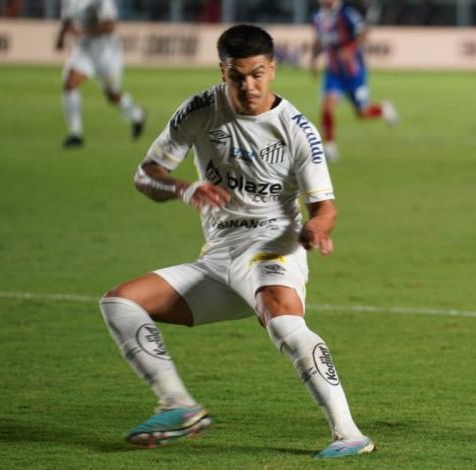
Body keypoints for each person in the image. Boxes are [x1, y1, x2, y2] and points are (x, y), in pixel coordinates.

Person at [98, 24, 375, 458]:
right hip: (218, 258)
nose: (249, 86)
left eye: (258, 74)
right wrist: (184, 189)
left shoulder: (296, 128)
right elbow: (145, 174)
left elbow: (326, 206)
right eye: (237, 76)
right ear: (222, 71)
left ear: (273, 69)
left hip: (273, 246)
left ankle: (349, 434)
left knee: (283, 321)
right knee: (119, 302)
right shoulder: (200, 110)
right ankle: (179, 405)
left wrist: (318, 228)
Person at [310, 0, 397, 162]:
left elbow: (363, 32)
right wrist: (313, 60)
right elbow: (319, 40)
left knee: (362, 113)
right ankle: (329, 145)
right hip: (333, 72)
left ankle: (384, 109)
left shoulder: (346, 13)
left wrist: (349, 48)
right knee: (327, 105)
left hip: (354, 72)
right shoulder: (317, 17)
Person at [55, 0, 145, 148]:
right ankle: (75, 134)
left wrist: (83, 32)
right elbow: (67, 18)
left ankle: (137, 115)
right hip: (84, 51)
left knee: (112, 95)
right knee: (70, 84)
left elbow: (110, 25)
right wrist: (61, 37)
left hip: (107, 53)